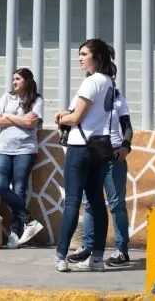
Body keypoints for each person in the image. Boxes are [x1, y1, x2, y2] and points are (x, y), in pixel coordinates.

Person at [53, 38, 115, 273]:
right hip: (99, 149)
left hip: (80, 147)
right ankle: (97, 258)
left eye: (84, 54)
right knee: (98, 203)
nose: (80, 58)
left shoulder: (91, 83)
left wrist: (60, 117)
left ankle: (61, 255)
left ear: (96, 57)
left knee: (72, 201)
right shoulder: (109, 82)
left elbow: (76, 117)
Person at [67, 69, 134, 268]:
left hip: (113, 155)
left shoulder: (118, 99)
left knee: (116, 204)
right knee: (89, 203)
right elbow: (73, 116)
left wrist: (125, 146)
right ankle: (88, 247)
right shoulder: (84, 97)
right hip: (91, 154)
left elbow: (127, 127)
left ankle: (122, 250)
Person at [0, 68, 44, 249]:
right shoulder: (7, 97)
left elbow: (31, 124)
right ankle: (29, 220)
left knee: (20, 189)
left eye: (18, 79)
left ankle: (14, 234)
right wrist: (19, 118)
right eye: (13, 79)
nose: (14, 82)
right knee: (0, 186)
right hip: (4, 149)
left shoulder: (37, 100)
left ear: (27, 81)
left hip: (25, 150)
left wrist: (8, 116)